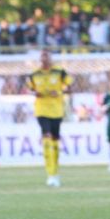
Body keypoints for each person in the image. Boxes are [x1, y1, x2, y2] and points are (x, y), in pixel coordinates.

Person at [27, 49, 74, 187]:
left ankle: (55, 172)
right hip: (41, 110)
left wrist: (59, 91)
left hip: (57, 110)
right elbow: (29, 88)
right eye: (42, 57)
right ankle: (50, 174)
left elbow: (71, 87)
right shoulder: (34, 74)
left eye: (46, 57)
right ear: (40, 59)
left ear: (50, 58)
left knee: (54, 141)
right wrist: (35, 93)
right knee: (46, 137)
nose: (44, 59)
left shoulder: (59, 72)